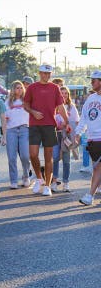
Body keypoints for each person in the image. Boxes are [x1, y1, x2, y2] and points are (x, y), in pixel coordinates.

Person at [24, 64, 68, 196]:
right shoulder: (32, 87)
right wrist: (33, 112)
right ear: (39, 73)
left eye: (48, 73)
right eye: (44, 73)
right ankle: (39, 178)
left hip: (50, 125)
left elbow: (60, 107)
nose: (46, 75)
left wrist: (66, 121)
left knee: (48, 157)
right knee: (33, 154)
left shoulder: (55, 88)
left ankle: (48, 185)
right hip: (34, 125)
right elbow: (25, 105)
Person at [75, 71, 101, 206]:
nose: (91, 83)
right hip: (92, 139)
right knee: (96, 167)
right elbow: (84, 118)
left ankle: (90, 196)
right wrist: (78, 133)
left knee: (97, 168)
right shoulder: (91, 98)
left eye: (94, 81)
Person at [52, 86, 79, 193]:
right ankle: (54, 181)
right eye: (61, 93)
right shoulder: (54, 106)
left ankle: (66, 183)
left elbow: (76, 121)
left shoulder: (71, 107)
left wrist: (75, 134)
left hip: (66, 136)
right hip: (55, 134)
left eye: (65, 93)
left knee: (66, 160)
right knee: (55, 158)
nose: (63, 95)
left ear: (68, 95)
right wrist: (57, 124)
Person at [4, 80, 31, 189]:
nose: (19, 89)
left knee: (25, 156)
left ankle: (26, 176)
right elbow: (4, 120)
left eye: (21, 87)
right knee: (12, 157)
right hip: (11, 131)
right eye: (17, 88)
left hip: (25, 129)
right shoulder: (7, 103)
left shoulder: (27, 101)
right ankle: (13, 180)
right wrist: (3, 135)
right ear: (13, 90)